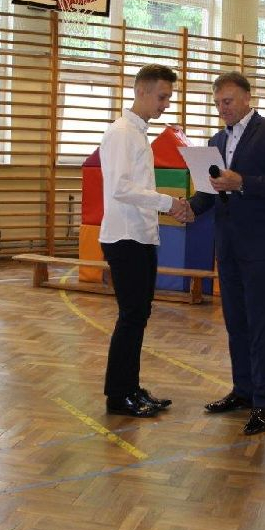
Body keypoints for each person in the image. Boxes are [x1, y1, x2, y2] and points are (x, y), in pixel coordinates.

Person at [187, 72, 265, 435]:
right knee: (236, 321)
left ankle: (264, 401)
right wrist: (188, 208)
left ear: (249, 97)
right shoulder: (215, 140)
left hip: (261, 244)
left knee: (262, 323)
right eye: (218, 103)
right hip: (228, 244)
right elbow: (209, 192)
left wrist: (243, 182)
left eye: (228, 101)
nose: (222, 108)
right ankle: (243, 390)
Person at [99, 64, 192, 418]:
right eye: (162, 97)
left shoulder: (138, 132)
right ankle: (118, 395)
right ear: (141, 91)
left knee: (139, 315)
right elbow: (121, 188)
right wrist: (169, 203)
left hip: (140, 235)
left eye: (168, 98)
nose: (166, 104)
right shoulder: (122, 133)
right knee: (131, 316)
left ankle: (131, 388)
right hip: (125, 237)